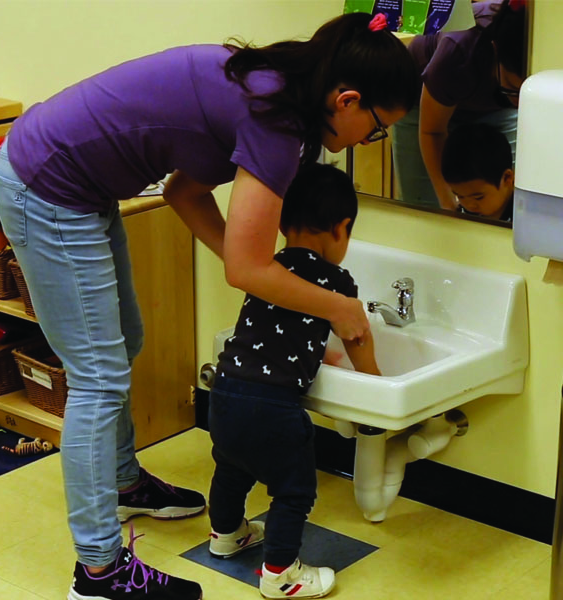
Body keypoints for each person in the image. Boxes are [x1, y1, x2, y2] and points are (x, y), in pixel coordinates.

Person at [0, 11, 416, 600]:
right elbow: (246, 265)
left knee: (125, 342)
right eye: (375, 130)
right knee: (98, 378)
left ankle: (122, 483)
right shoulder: (280, 123)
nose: (368, 142)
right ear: (346, 100)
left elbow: (183, 192)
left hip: (81, 186)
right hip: (49, 184)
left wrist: (260, 272)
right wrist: (334, 307)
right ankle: (98, 573)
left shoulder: (272, 85)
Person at [207, 163, 381, 599]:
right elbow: (355, 332)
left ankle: (225, 535)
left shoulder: (266, 268)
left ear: (281, 222)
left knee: (231, 468)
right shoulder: (337, 284)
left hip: (226, 390)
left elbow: (277, 328)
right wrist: (376, 383)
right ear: (342, 228)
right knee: (294, 490)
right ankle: (280, 574)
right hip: (274, 408)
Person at [392, 0, 526, 210]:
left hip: (495, 106)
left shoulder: (539, 42)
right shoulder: (460, 48)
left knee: (506, 199)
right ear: (495, 51)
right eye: (512, 89)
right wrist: (448, 201)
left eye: (525, 94)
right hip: (425, 102)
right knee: (426, 206)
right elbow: (432, 132)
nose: (520, 103)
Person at [442, 123, 514, 221]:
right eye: (460, 196)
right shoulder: (465, 212)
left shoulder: (525, 216)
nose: (469, 205)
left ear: (507, 178)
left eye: (479, 197)